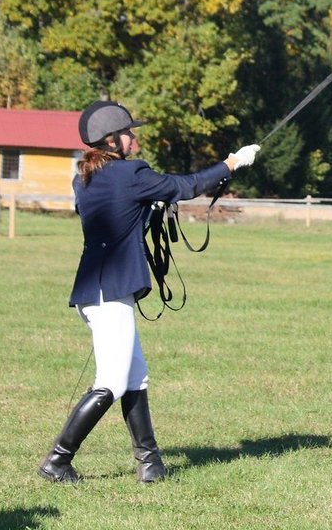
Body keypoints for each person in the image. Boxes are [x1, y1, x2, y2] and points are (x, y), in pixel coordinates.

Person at [38, 100, 260, 484]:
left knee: (135, 377)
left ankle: (151, 463)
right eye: (129, 132)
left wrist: (148, 208)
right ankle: (58, 460)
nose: (134, 136)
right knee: (110, 381)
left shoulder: (84, 179)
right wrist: (232, 164)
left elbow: (124, 211)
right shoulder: (130, 174)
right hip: (111, 294)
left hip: (97, 291)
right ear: (112, 141)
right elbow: (185, 185)